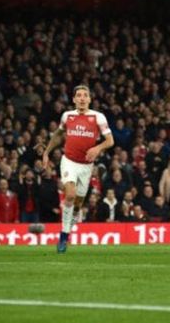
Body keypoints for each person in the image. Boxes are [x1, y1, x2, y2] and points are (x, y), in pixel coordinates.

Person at [42, 85, 114, 253]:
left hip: (86, 166)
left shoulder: (98, 117)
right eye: (79, 95)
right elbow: (59, 135)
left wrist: (98, 148)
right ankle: (64, 235)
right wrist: (47, 152)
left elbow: (110, 141)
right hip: (69, 161)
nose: (82, 98)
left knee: (78, 204)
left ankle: (69, 224)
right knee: (70, 195)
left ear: (89, 99)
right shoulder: (67, 116)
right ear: (74, 99)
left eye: (85, 95)